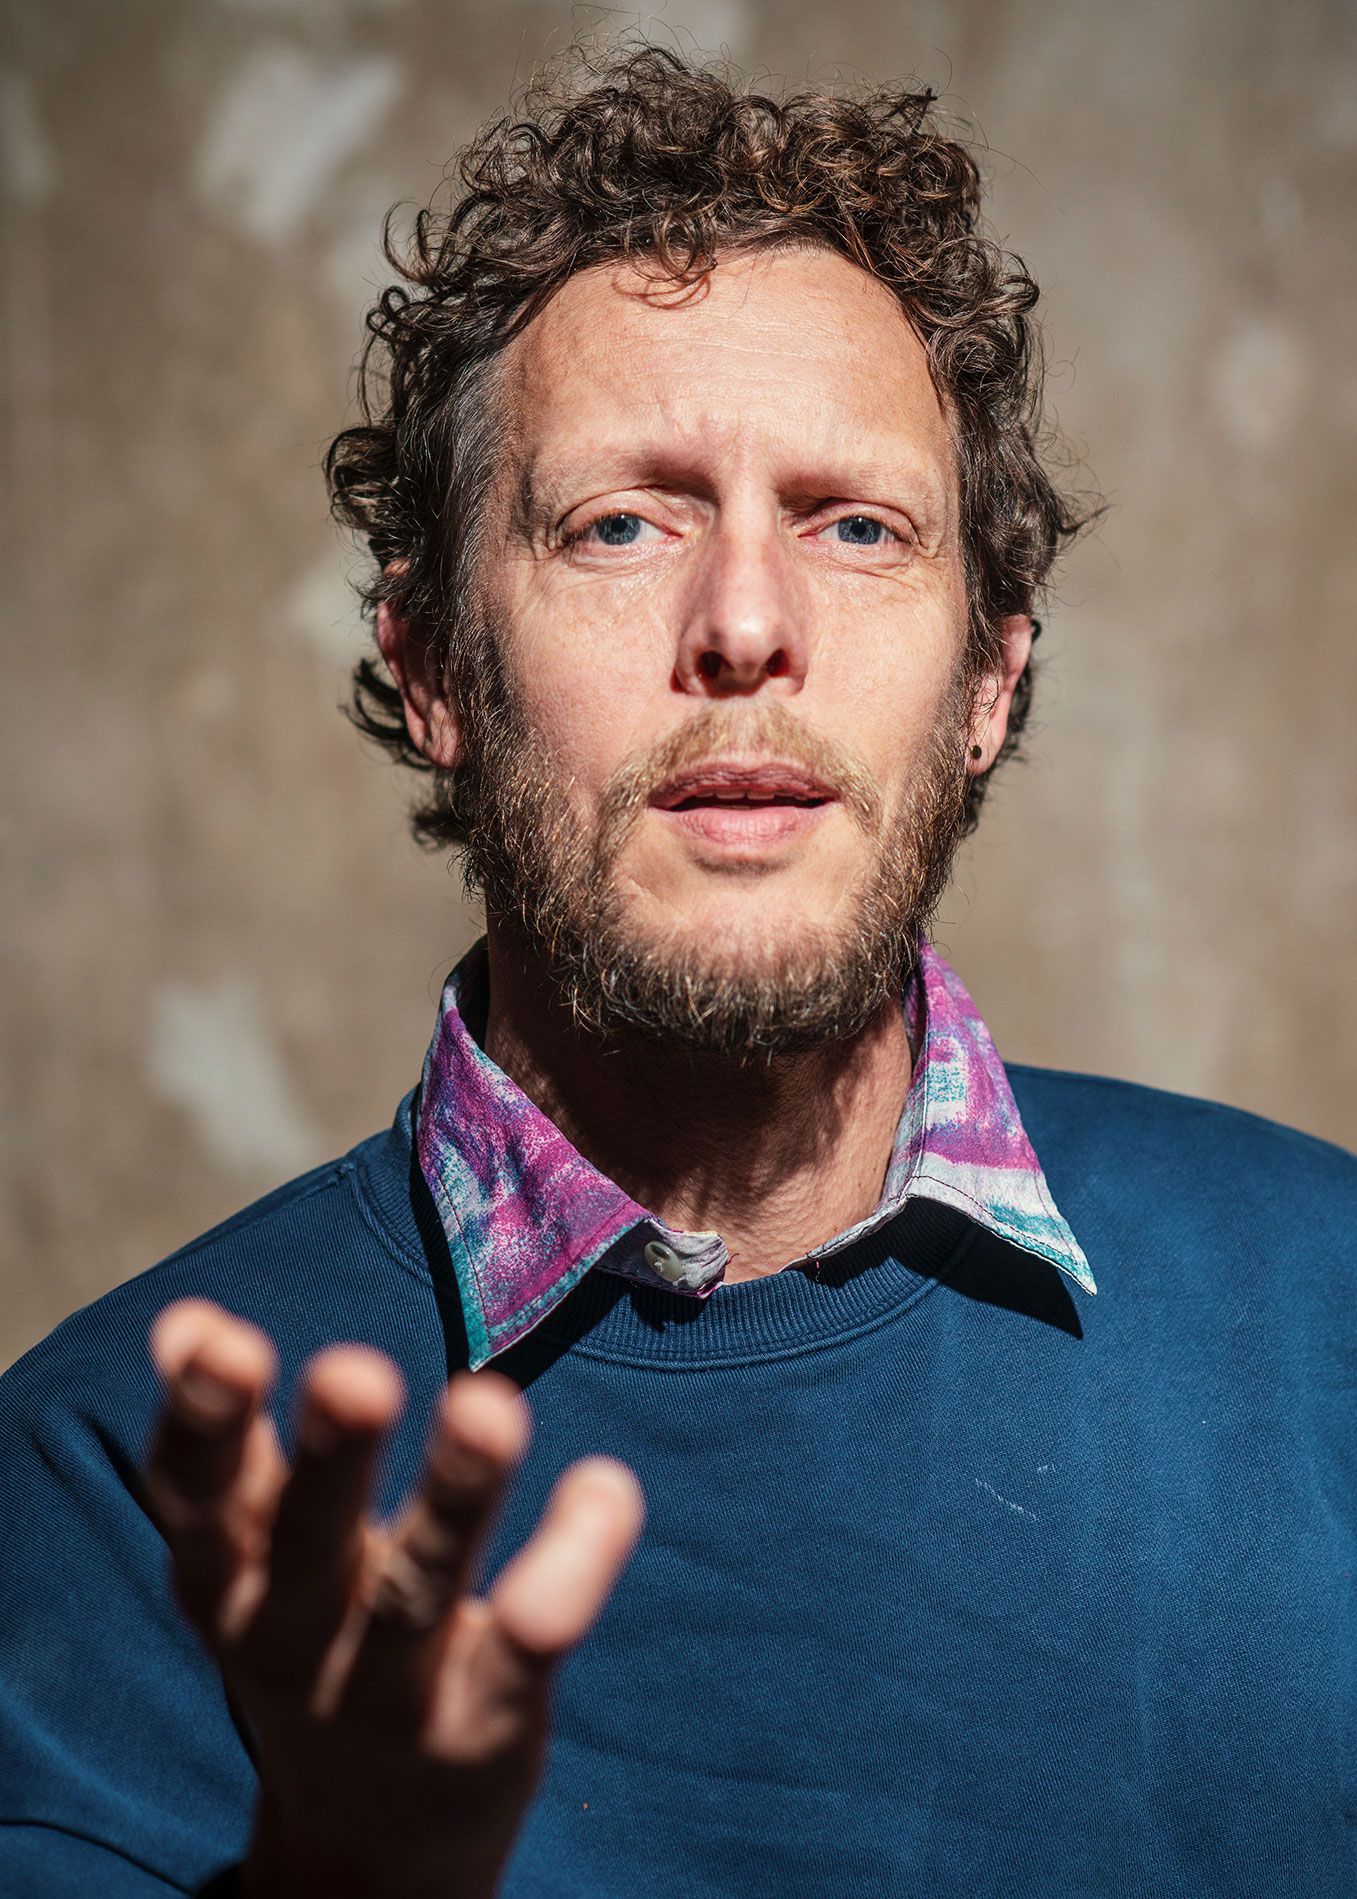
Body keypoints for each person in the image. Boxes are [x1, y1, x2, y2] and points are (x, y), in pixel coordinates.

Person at [1, 45, 1352, 1899]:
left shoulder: (1327, 1319)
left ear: (987, 682)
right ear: (431, 668)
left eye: (855, 525)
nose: (742, 625)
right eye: (619, 524)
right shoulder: (118, 1482)